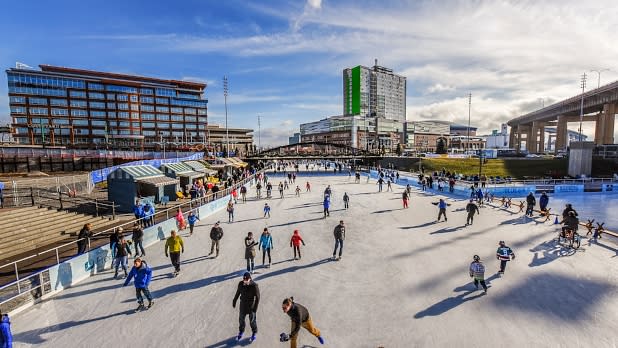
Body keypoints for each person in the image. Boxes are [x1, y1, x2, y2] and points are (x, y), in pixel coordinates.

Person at [233, 272, 260, 342]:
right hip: (243, 305)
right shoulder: (241, 284)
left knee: (252, 321)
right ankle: (241, 331)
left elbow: (258, 298)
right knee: (241, 319)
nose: (245, 281)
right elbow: (238, 292)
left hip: (251, 306)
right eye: (244, 280)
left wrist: (255, 308)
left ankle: (254, 332)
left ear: (250, 279)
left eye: (246, 280)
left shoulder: (254, 286)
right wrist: (234, 300)